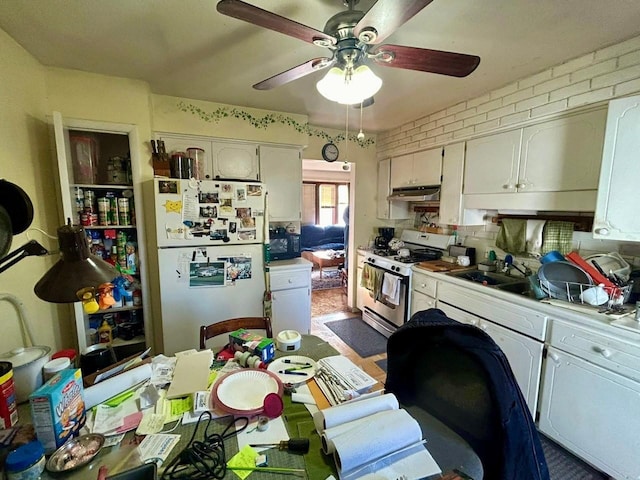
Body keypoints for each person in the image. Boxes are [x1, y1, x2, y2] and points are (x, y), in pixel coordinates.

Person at [342, 205, 349, 271]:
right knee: (347, 249)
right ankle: (347, 267)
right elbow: (344, 218)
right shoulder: (348, 208)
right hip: (348, 230)